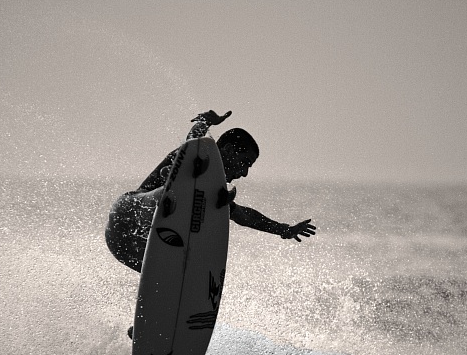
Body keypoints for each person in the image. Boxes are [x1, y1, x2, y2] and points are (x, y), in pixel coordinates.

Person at [105, 110, 316, 272]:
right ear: (229, 150)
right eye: (244, 163)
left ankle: (152, 320)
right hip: (129, 211)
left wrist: (284, 230)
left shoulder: (213, 192)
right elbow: (193, 140)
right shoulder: (201, 153)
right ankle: (170, 189)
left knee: (182, 275)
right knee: (190, 175)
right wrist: (205, 122)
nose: (244, 173)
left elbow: (244, 216)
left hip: (125, 245)